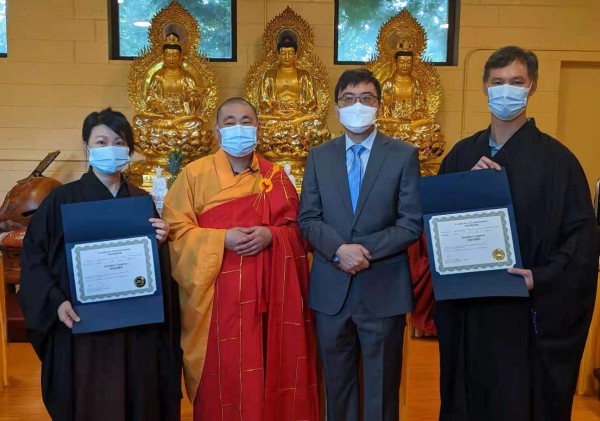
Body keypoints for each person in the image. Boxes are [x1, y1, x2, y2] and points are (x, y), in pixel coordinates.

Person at [435, 46, 599, 421]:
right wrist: (465, 189)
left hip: (525, 315)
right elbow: (436, 227)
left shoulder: (559, 162)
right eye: (498, 82)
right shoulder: (461, 157)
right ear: (484, 88)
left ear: (532, 87)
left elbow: (582, 242)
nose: (506, 90)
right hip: (470, 313)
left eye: (516, 82)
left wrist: (539, 278)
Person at [18, 108, 182, 421]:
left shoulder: (141, 200)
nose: (111, 148)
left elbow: (158, 273)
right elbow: (34, 258)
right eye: (101, 141)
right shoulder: (60, 200)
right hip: (84, 326)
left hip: (136, 328)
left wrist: (161, 242)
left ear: (129, 150)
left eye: (118, 141)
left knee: (140, 399)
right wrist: (55, 300)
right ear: (87, 148)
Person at [162, 97, 319, 420]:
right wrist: (222, 239)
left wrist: (271, 235)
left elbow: (299, 233)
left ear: (258, 128)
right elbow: (175, 233)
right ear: (217, 132)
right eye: (230, 121)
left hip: (269, 302)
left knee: (268, 372)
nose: (239, 128)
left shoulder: (276, 177)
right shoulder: (193, 175)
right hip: (215, 301)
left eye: (246, 121)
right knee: (221, 382)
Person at [298, 68, 422, 421]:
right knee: (338, 387)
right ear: (336, 108)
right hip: (331, 290)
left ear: (379, 105)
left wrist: (361, 250)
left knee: (382, 389)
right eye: (349, 99)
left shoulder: (402, 155)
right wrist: (339, 250)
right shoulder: (319, 156)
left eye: (366, 98)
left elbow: (411, 223)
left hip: (382, 286)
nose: (358, 106)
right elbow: (308, 218)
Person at [258, 33, 318, 123]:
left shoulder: (305, 76)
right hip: (275, 117)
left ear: (295, 55)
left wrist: (298, 112)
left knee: (317, 122)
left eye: (290, 53)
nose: (287, 57)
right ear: (278, 55)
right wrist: (276, 112)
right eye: (283, 53)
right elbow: (263, 100)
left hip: (298, 117)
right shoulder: (269, 75)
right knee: (262, 122)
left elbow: (312, 101)